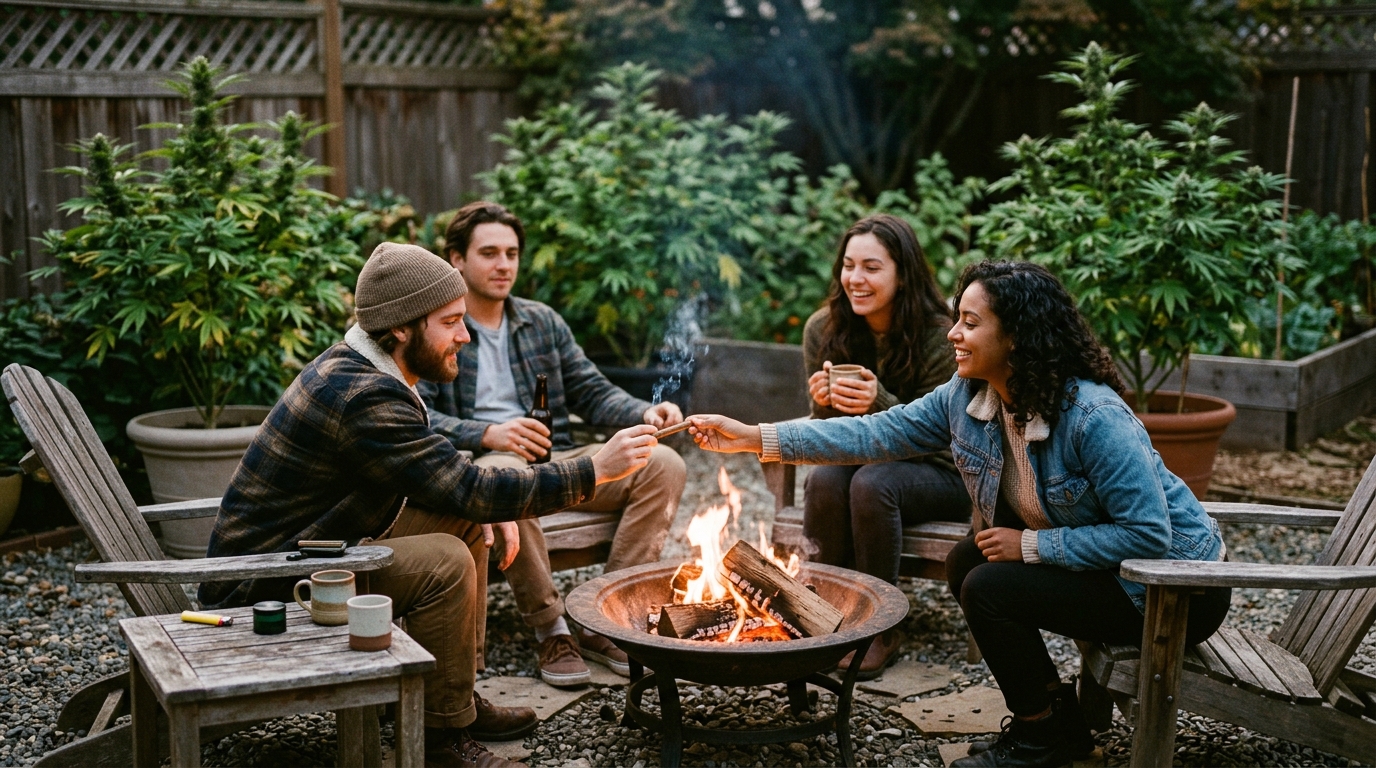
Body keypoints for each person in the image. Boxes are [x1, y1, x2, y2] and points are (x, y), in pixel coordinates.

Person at [686, 261, 1231, 768]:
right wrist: (753, 437)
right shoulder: (970, 396)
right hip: (1119, 570)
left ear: (1015, 337)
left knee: (990, 586)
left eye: (969, 323)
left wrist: (1034, 547)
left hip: (1175, 589)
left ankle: (1042, 736)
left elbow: (1148, 534)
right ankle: (1052, 716)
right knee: (967, 561)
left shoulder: (1093, 416)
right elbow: (875, 431)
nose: (953, 333)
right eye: (956, 319)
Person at [199, 242, 659, 768]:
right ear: (401, 328)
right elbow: (470, 487)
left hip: (310, 552)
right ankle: (440, 745)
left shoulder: (361, 369)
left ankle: (451, 704)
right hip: (265, 591)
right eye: (452, 322)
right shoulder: (365, 396)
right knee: (445, 559)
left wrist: (487, 508)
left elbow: (445, 481)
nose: (465, 335)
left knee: (465, 522)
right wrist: (594, 469)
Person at [419, 201, 687, 688]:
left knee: (662, 462)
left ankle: (607, 616)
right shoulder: (440, 326)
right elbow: (419, 413)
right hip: (488, 461)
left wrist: (643, 412)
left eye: (512, 253)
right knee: (506, 475)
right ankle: (552, 628)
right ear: (456, 259)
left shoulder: (542, 321)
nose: (504, 265)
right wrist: (486, 433)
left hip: (556, 453)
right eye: (490, 253)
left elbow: (591, 388)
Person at [799, 213, 970, 679]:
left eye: (872, 267)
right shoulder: (824, 329)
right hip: (861, 462)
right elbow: (831, 440)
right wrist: (824, 405)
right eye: (848, 265)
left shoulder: (941, 334)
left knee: (874, 483)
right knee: (824, 479)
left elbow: (943, 434)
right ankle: (816, 610)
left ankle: (879, 626)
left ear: (902, 271)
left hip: (944, 470)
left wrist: (883, 401)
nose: (856, 279)